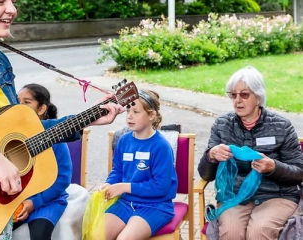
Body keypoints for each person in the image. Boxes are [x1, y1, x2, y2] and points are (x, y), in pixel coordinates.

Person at [0, 0, 123, 239]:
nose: (12, 9)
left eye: (12, 1)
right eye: (0, 1)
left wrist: (87, 119)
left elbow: (24, 132)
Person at [198, 66, 303, 240]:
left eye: (244, 94)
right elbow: (205, 174)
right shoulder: (222, 125)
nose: (237, 100)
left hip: (276, 196)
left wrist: (273, 167)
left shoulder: (281, 126)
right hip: (235, 196)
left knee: (259, 232)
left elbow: (299, 172)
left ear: (258, 96)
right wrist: (211, 156)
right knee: (231, 233)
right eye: (233, 95)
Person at [98, 90, 178, 240]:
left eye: (136, 111)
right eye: (128, 110)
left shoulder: (161, 146)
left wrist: (124, 187)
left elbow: (161, 186)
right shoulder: (123, 140)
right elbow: (118, 170)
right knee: (98, 235)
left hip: (156, 206)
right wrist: (109, 183)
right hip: (125, 202)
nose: (129, 116)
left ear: (151, 115)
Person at [13, 83, 72, 240]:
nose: (20, 106)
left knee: (39, 235)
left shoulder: (54, 137)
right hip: (17, 201)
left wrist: (35, 202)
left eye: (27, 102)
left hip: (48, 200)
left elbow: (63, 179)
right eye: (17, 101)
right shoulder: (11, 137)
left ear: (41, 109)